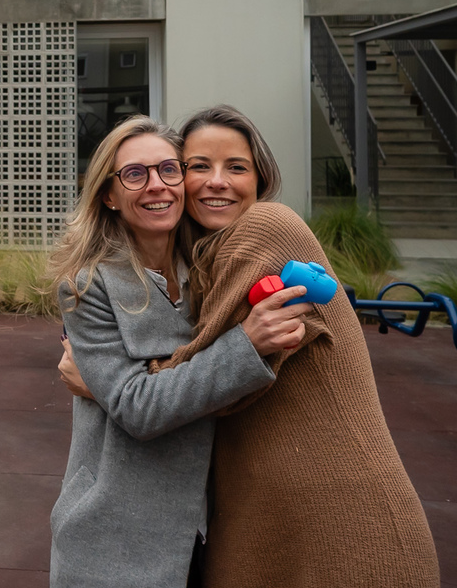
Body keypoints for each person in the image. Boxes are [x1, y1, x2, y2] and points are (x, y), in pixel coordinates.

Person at [58, 105, 440, 587]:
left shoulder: (262, 230)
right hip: (226, 524)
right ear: (109, 194)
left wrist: (105, 387)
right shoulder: (183, 266)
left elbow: (180, 383)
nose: (215, 181)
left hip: (335, 515)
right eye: (198, 166)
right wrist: (123, 392)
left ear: (261, 179)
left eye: (236, 167)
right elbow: (194, 380)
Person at [47, 116, 309, 588]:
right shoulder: (88, 286)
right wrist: (245, 344)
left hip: (201, 537)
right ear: (109, 194)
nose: (157, 186)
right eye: (134, 174)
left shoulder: (208, 274)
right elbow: (137, 408)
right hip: (112, 541)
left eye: (169, 169)